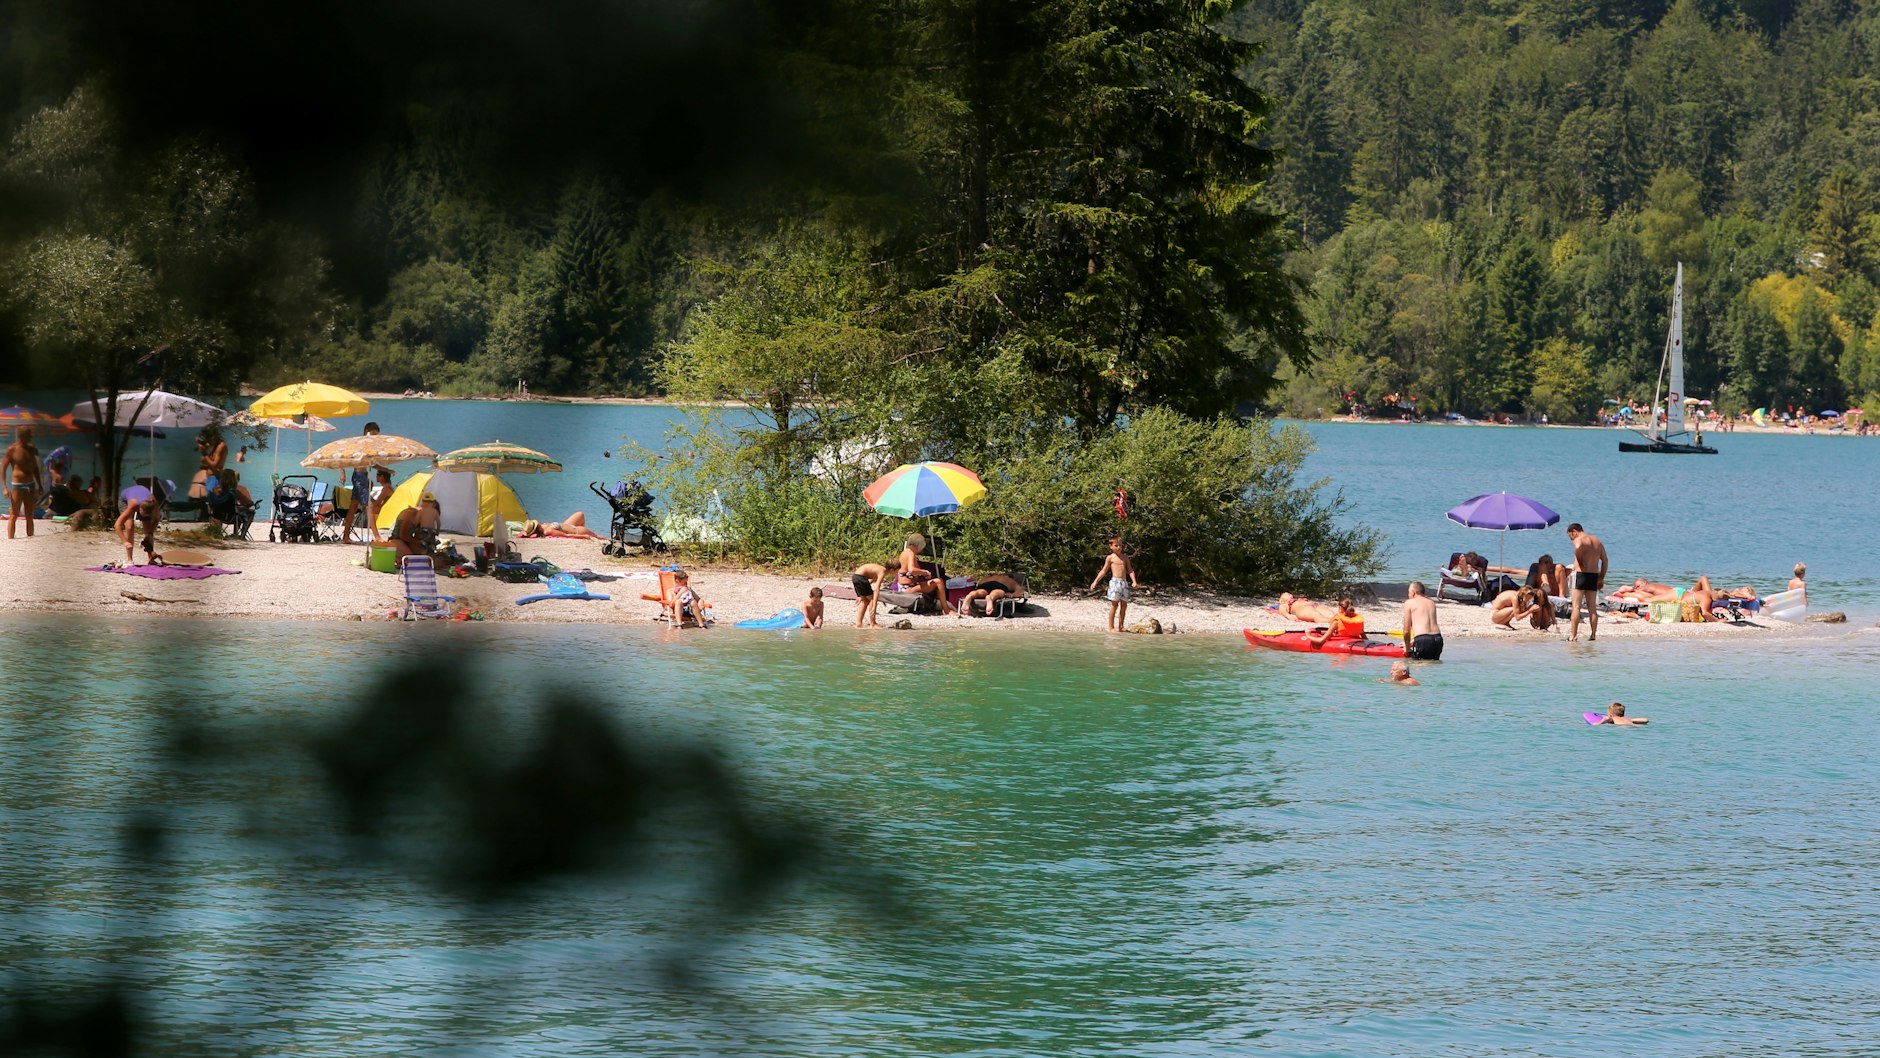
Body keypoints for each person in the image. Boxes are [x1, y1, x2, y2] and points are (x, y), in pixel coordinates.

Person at [1566, 522, 1608, 642]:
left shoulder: (1579, 539)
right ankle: (1593, 634)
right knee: (1592, 608)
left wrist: (1580, 560)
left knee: (1576, 607)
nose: (1572, 539)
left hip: (1580, 574)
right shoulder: (1597, 541)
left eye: (1571, 537)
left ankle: (1573, 636)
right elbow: (1605, 560)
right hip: (1593, 575)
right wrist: (1601, 577)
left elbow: (1578, 548)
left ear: (1574, 531)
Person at [895, 533, 955, 615]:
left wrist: (922, 573)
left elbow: (908, 571)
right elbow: (912, 570)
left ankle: (939, 605)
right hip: (908, 589)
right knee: (939, 582)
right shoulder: (911, 554)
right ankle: (946, 609)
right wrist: (925, 572)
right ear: (918, 545)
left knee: (935, 582)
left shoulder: (905, 552)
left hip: (904, 587)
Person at [342, 421, 380, 544]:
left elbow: (372, 464)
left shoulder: (369, 448)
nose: (374, 438)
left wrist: (386, 469)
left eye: (376, 436)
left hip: (362, 476)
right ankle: (377, 536)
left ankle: (345, 536)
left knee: (353, 508)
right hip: (359, 476)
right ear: (366, 433)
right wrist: (343, 473)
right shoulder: (359, 445)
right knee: (369, 506)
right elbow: (343, 457)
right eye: (372, 435)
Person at [1089, 535, 1138, 633]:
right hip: (1115, 582)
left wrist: (1134, 581)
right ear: (1110, 546)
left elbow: (1130, 570)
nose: (1119, 547)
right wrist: (1095, 581)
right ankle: (1111, 627)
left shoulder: (1125, 558)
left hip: (1124, 582)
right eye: (1116, 545)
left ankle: (1121, 626)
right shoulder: (1110, 558)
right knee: (1114, 605)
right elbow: (1103, 571)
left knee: (1124, 605)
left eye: (1120, 545)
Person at [4, 426, 43, 539]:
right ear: (22, 436)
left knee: (29, 514)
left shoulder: (31, 449)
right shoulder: (12, 449)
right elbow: (3, 469)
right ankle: (10, 539)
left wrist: (39, 485)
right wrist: (5, 487)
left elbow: (35, 468)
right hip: (17, 485)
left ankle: (30, 537)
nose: (31, 437)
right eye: (29, 435)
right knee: (14, 514)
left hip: (30, 484)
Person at [388, 491, 441, 560]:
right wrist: (417, 542)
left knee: (424, 555)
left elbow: (417, 536)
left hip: (408, 540)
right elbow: (402, 535)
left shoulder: (422, 519)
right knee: (411, 557)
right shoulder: (410, 513)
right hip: (396, 539)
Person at [1400, 581, 1444, 660]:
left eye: (1408, 592)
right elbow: (1428, 628)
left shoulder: (1409, 603)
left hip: (1423, 640)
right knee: (1433, 667)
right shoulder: (1431, 603)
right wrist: (1413, 642)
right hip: (1438, 639)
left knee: (1419, 668)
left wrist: (1407, 648)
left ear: (1413, 593)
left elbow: (1406, 630)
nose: (1408, 594)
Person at [115, 496, 159, 565]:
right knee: (129, 527)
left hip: (143, 503)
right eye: (143, 514)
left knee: (148, 530)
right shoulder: (133, 505)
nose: (143, 517)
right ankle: (130, 560)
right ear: (139, 509)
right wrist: (125, 542)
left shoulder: (153, 504)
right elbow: (117, 525)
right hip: (126, 500)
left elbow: (156, 519)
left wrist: (149, 533)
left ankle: (151, 558)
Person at [960, 572, 1024, 618]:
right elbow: (1020, 590)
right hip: (1000, 586)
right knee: (998, 592)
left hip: (984, 583)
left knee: (981, 591)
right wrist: (1012, 595)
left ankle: (970, 596)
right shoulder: (1010, 580)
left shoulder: (990, 577)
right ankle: (990, 598)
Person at [850, 561, 887, 627]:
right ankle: (873, 624)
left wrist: (861, 592)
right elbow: (877, 589)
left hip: (855, 577)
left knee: (865, 601)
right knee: (872, 600)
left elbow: (871, 577)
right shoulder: (883, 571)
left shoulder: (880, 568)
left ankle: (859, 623)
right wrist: (874, 605)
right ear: (893, 570)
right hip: (861, 578)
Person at [517, 513, 604, 539]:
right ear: (537, 527)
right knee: (597, 537)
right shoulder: (548, 531)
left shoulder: (544, 527)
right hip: (576, 530)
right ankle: (608, 540)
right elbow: (567, 535)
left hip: (567, 525)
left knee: (580, 514)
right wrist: (584, 536)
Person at [1276, 592, 1340, 624]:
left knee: (1331, 614)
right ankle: (1333, 622)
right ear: (1282, 600)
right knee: (1316, 615)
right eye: (1286, 595)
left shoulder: (1297, 599)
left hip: (1314, 606)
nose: (1289, 595)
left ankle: (1339, 620)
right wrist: (1288, 616)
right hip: (1301, 608)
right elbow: (1282, 611)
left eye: (1289, 594)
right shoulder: (1285, 604)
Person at [367, 468, 394, 543]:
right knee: (370, 506)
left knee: (370, 509)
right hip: (386, 508)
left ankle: (376, 535)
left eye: (377, 475)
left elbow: (377, 503)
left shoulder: (386, 488)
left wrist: (368, 497)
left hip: (386, 510)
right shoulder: (388, 487)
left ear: (382, 476)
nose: (376, 477)